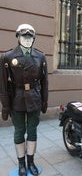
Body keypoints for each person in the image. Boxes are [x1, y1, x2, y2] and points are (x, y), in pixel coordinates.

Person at [0, 24, 48, 176]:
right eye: (24, 37)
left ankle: (31, 161)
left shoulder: (40, 57)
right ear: (18, 37)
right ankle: (21, 163)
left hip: (34, 98)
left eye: (30, 37)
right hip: (17, 99)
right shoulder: (8, 57)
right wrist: (5, 106)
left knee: (32, 131)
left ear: (33, 39)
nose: (27, 40)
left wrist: (45, 101)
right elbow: (2, 84)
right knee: (19, 131)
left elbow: (44, 81)